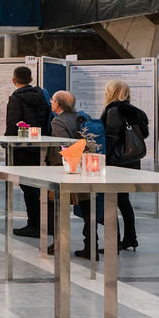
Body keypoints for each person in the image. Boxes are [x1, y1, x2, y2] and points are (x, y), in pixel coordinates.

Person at [48, 90, 96, 258]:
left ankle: (59, 243)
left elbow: (64, 145)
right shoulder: (83, 116)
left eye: (53, 100)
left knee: (59, 208)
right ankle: (91, 245)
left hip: (67, 168)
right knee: (87, 207)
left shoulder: (57, 121)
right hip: (86, 165)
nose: (51, 102)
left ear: (57, 104)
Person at [102, 80, 148, 252]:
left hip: (116, 162)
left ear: (112, 92)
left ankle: (114, 242)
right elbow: (143, 133)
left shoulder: (114, 110)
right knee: (123, 201)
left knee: (112, 201)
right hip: (131, 161)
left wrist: (101, 157)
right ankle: (130, 238)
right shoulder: (135, 111)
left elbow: (111, 137)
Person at [5, 66, 51, 238]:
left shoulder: (15, 99)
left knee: (27, 186)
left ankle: (34, 224)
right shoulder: (42, 96)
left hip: (22, 148)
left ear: (13, 80)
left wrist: (7, 144)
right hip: (40, 147)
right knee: (38, 186)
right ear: (31, 80)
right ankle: (44, 223)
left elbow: (12, 125)